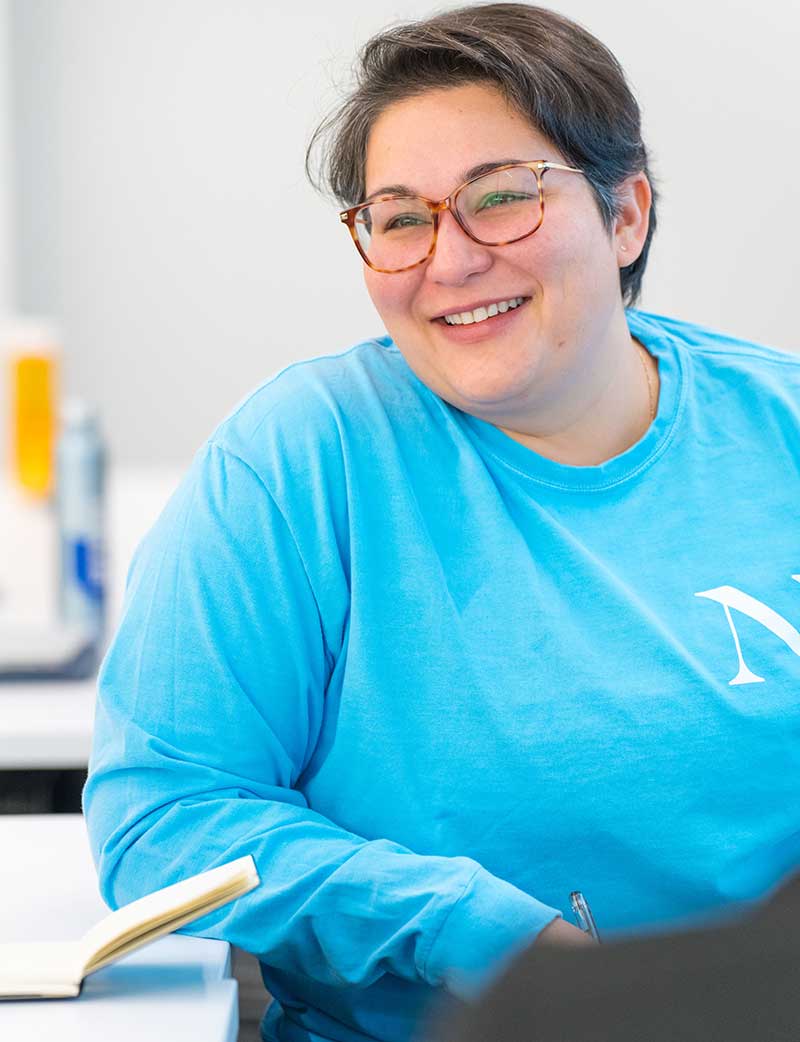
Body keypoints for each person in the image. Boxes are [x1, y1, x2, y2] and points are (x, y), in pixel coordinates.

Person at [83, 4, 800, 1042]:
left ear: (625, 213)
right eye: (399, 216)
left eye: (500, 199)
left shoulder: (778, 431)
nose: (450, 260)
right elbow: (163, 816)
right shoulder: (302, 459)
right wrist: (459, 927)